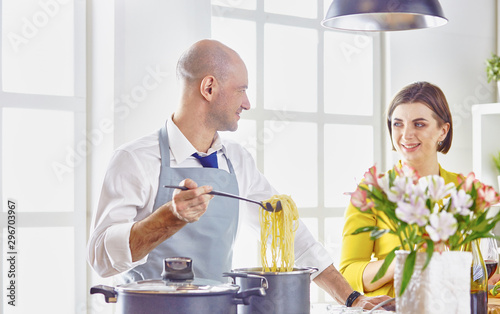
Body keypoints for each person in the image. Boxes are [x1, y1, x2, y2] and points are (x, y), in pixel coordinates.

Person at [87, 39, 391, 309]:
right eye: (241, 90)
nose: (247, 103)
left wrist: (352, 298)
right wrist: (168, 218)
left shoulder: (236, 159)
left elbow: (291, 231)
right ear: (208, 88)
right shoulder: (134, 159)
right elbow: (100, 258)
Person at [339, 81, 457, 297]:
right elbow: (347, 275)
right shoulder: (371, 191)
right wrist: (403, 261)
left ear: (443, 130)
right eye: (398, 124)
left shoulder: (463, 190)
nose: (406, 134)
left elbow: (480, 267)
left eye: (419, 124)